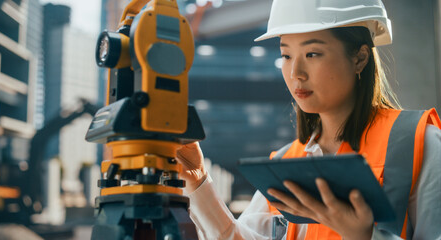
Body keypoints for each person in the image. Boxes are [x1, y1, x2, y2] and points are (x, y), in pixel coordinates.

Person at [175, 0, 441, 239]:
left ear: (360, 58)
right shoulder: (286, 163)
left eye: (312, 54)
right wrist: (199, 182)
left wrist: (365, 237)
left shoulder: (418, 143)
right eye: (286, 55)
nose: (296, 73)